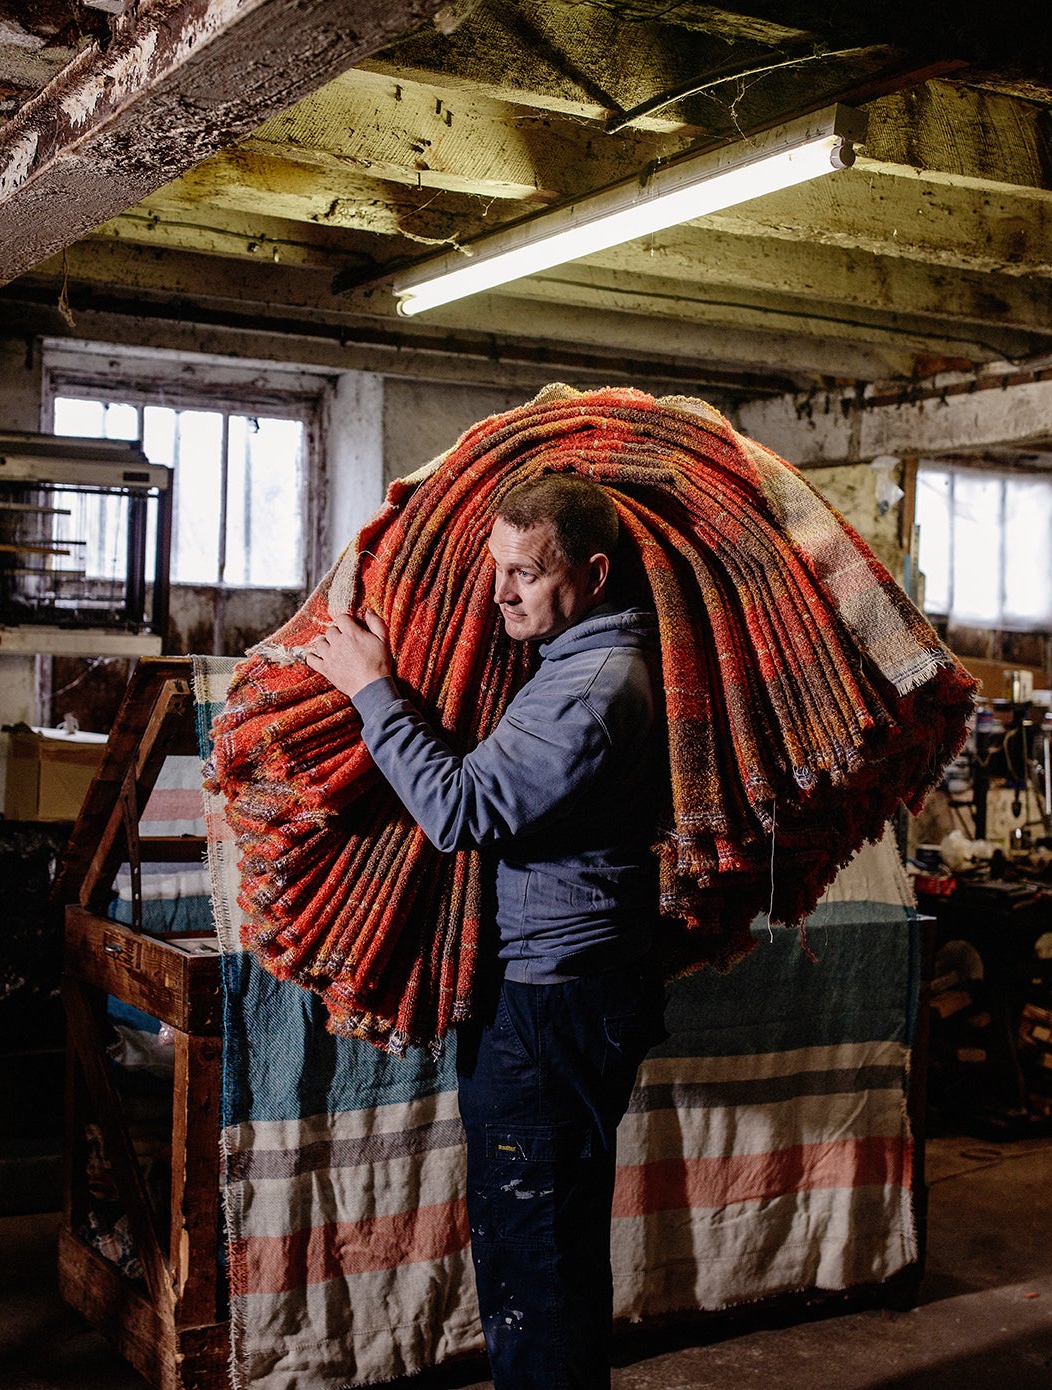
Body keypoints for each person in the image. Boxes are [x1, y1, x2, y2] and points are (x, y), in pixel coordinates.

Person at [305, 472, 668, 1390]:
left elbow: (463, 809)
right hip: (562, 992)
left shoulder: (589, 688)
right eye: (496, 569)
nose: (501, 594)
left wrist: (372, 689)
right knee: (537, 1245)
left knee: (535, 1254)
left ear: (591, 572)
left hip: (553, 1005)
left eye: (526, 574)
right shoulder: (570, 663)